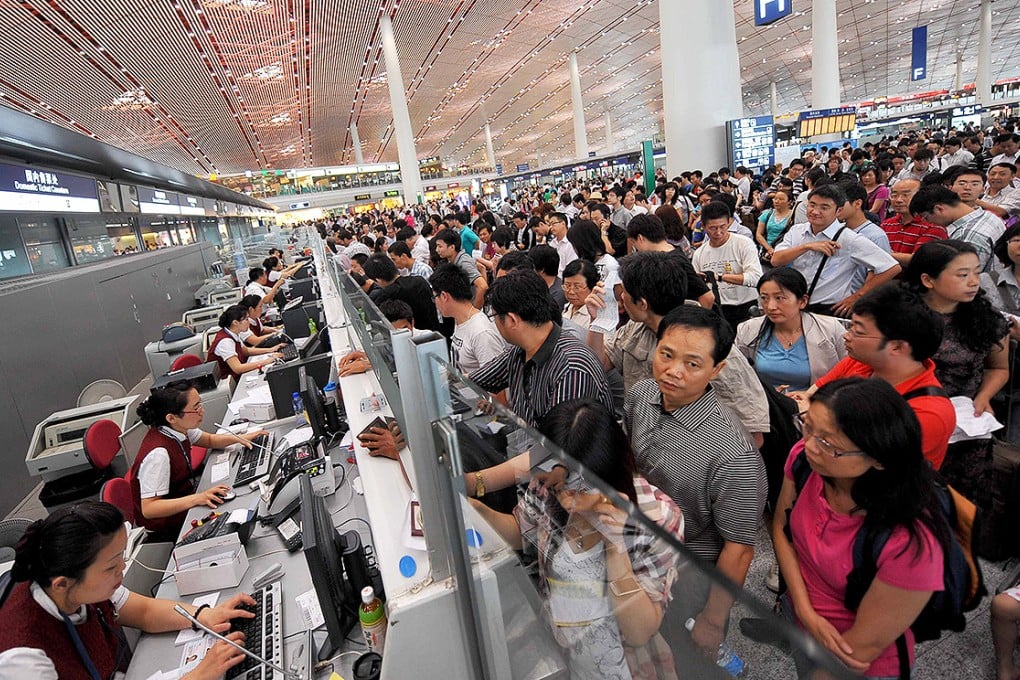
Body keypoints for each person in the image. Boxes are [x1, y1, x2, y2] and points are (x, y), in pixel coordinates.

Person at [469, 399, 684, 679]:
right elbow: (521, 531)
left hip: (626, 665)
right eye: (561, 487)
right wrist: (477, 511)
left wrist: (615, 548)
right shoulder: (547, 486)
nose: (568, 501)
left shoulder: (658, 517)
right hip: (562, 648)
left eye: (580, 489)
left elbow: (640, 632)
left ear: (609, 474)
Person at [772, 378, 948, 679]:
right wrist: (804, 610)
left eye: (828, 443)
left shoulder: (911, 542)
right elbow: (781, 529)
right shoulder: (807, 460)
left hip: (858, 659)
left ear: (879, 458)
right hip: (804, 622)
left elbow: (863, 648)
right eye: (807, 426)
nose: (810, 446)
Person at [624, 305, 767, 663]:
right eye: (666, 354)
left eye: (692, 363)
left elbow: (739, 549)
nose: (673, 371)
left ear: (717, 369)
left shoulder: (733, 454)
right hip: (639, 550)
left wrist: (713, 619)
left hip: (689, 574)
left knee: (686, 659)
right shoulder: (642, 394)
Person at [0, 501, 256, 679]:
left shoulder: (79, 583)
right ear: (63, 583)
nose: (122, 568)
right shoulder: (23, 660)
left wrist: (203, 616)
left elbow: (143, 611)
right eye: (112, 566)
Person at [792, 282, 956, 470]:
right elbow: (810, 396)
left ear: (897, 347)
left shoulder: (927, 414)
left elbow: (856, 465)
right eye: (850, 326)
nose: (847, 335)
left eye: (858, 331)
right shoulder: (862, 362)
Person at [905, 240, 1010, 508]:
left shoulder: (989, 320)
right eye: (963, 275)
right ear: (928, 279)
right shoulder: (899, 317)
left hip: (965, 426)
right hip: (910, 419)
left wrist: (984, 397)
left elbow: (997, 368)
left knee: (958, 505)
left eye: (976, 272)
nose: (974, 281)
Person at [129, 381, 268, 541]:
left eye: (200, 404)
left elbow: (208, 440)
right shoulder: (158, 454)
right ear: (172, 417)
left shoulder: (177, 428)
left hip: (185, 503)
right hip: (168, 528)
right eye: (195, 408)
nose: (202, 411)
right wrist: (198, 498)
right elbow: (149, 508)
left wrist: (241, 438)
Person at [771, 184, 900, 317]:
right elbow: (776, 260)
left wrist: (857, 296)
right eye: (812, 205)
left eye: (824, 208)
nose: (815, 211)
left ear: (838, 211)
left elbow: (891, 267)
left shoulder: (849, 238)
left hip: (829, 309)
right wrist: (807, 246)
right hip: (797, 305)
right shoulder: (797, 231)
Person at [736, 268, 847, 394]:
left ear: (802, 301)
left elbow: (850, 371)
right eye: (764, 298)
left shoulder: (830, 329)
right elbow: (738, 376)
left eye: (780, 298)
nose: (771, 306)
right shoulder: (748, 330)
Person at [691, 201, 762, 327]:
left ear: (729, 222)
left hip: (746, 307)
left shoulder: (743, 244)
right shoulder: (699, 254)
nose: (718, 232)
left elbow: (756, 278)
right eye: (712, 228)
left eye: (722, 226)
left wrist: (719, 277)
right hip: (718, 311)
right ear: (703, 226)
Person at [909, 184, 1006, 273]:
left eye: (926, 217)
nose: (928, 222)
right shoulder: (988, 216)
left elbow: (964, 278)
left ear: (939, 209)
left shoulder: (967, 236)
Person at [429, 263, 506, 375]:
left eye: (434, 297)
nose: (435, 303)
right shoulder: (460, 320)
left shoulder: (482, 333)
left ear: (445, 296)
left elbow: (497, 388)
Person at [362, 254, 442, 334]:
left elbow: (372, 317)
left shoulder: (387, 295)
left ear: (378, 280)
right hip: (436, 333)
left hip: (411, 339)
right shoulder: (420, 280)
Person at [880, 178, 948, 268]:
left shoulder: (933, 225)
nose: (899, 200)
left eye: (905, 195)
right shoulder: (886, 224)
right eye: (894, 195)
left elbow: (919, 260)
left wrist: (880, 253)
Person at [206, 305, 282, 380]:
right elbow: (238, 368)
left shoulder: (233, 333)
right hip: (229, 383)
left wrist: (270, 350)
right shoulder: (225, 341)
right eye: (246, 319)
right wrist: (267, 361)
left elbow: (246, 351)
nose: (249, 322)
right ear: (235, 322)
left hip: (238, 376)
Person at [434, 228, 487, 308]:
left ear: (452, 247)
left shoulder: (463, 263)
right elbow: (481, 268)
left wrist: (475, 312)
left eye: (440, 246)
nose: (437, 250)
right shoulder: (453, 260)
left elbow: (483, 286)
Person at [755, 188, 794, 261]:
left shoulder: (793, 217)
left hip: (785, 252)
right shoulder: (767, 214)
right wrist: (769, 249)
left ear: (789, 202)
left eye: (781, 199)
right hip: (766, 251)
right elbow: (758, 234)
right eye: (775, 198)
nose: (776, 201)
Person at [561, 259, 599, 330]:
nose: (571, 292)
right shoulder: (567, 307)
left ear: (592, 286)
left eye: (577, 287)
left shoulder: (598, 314)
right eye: (567, 285)